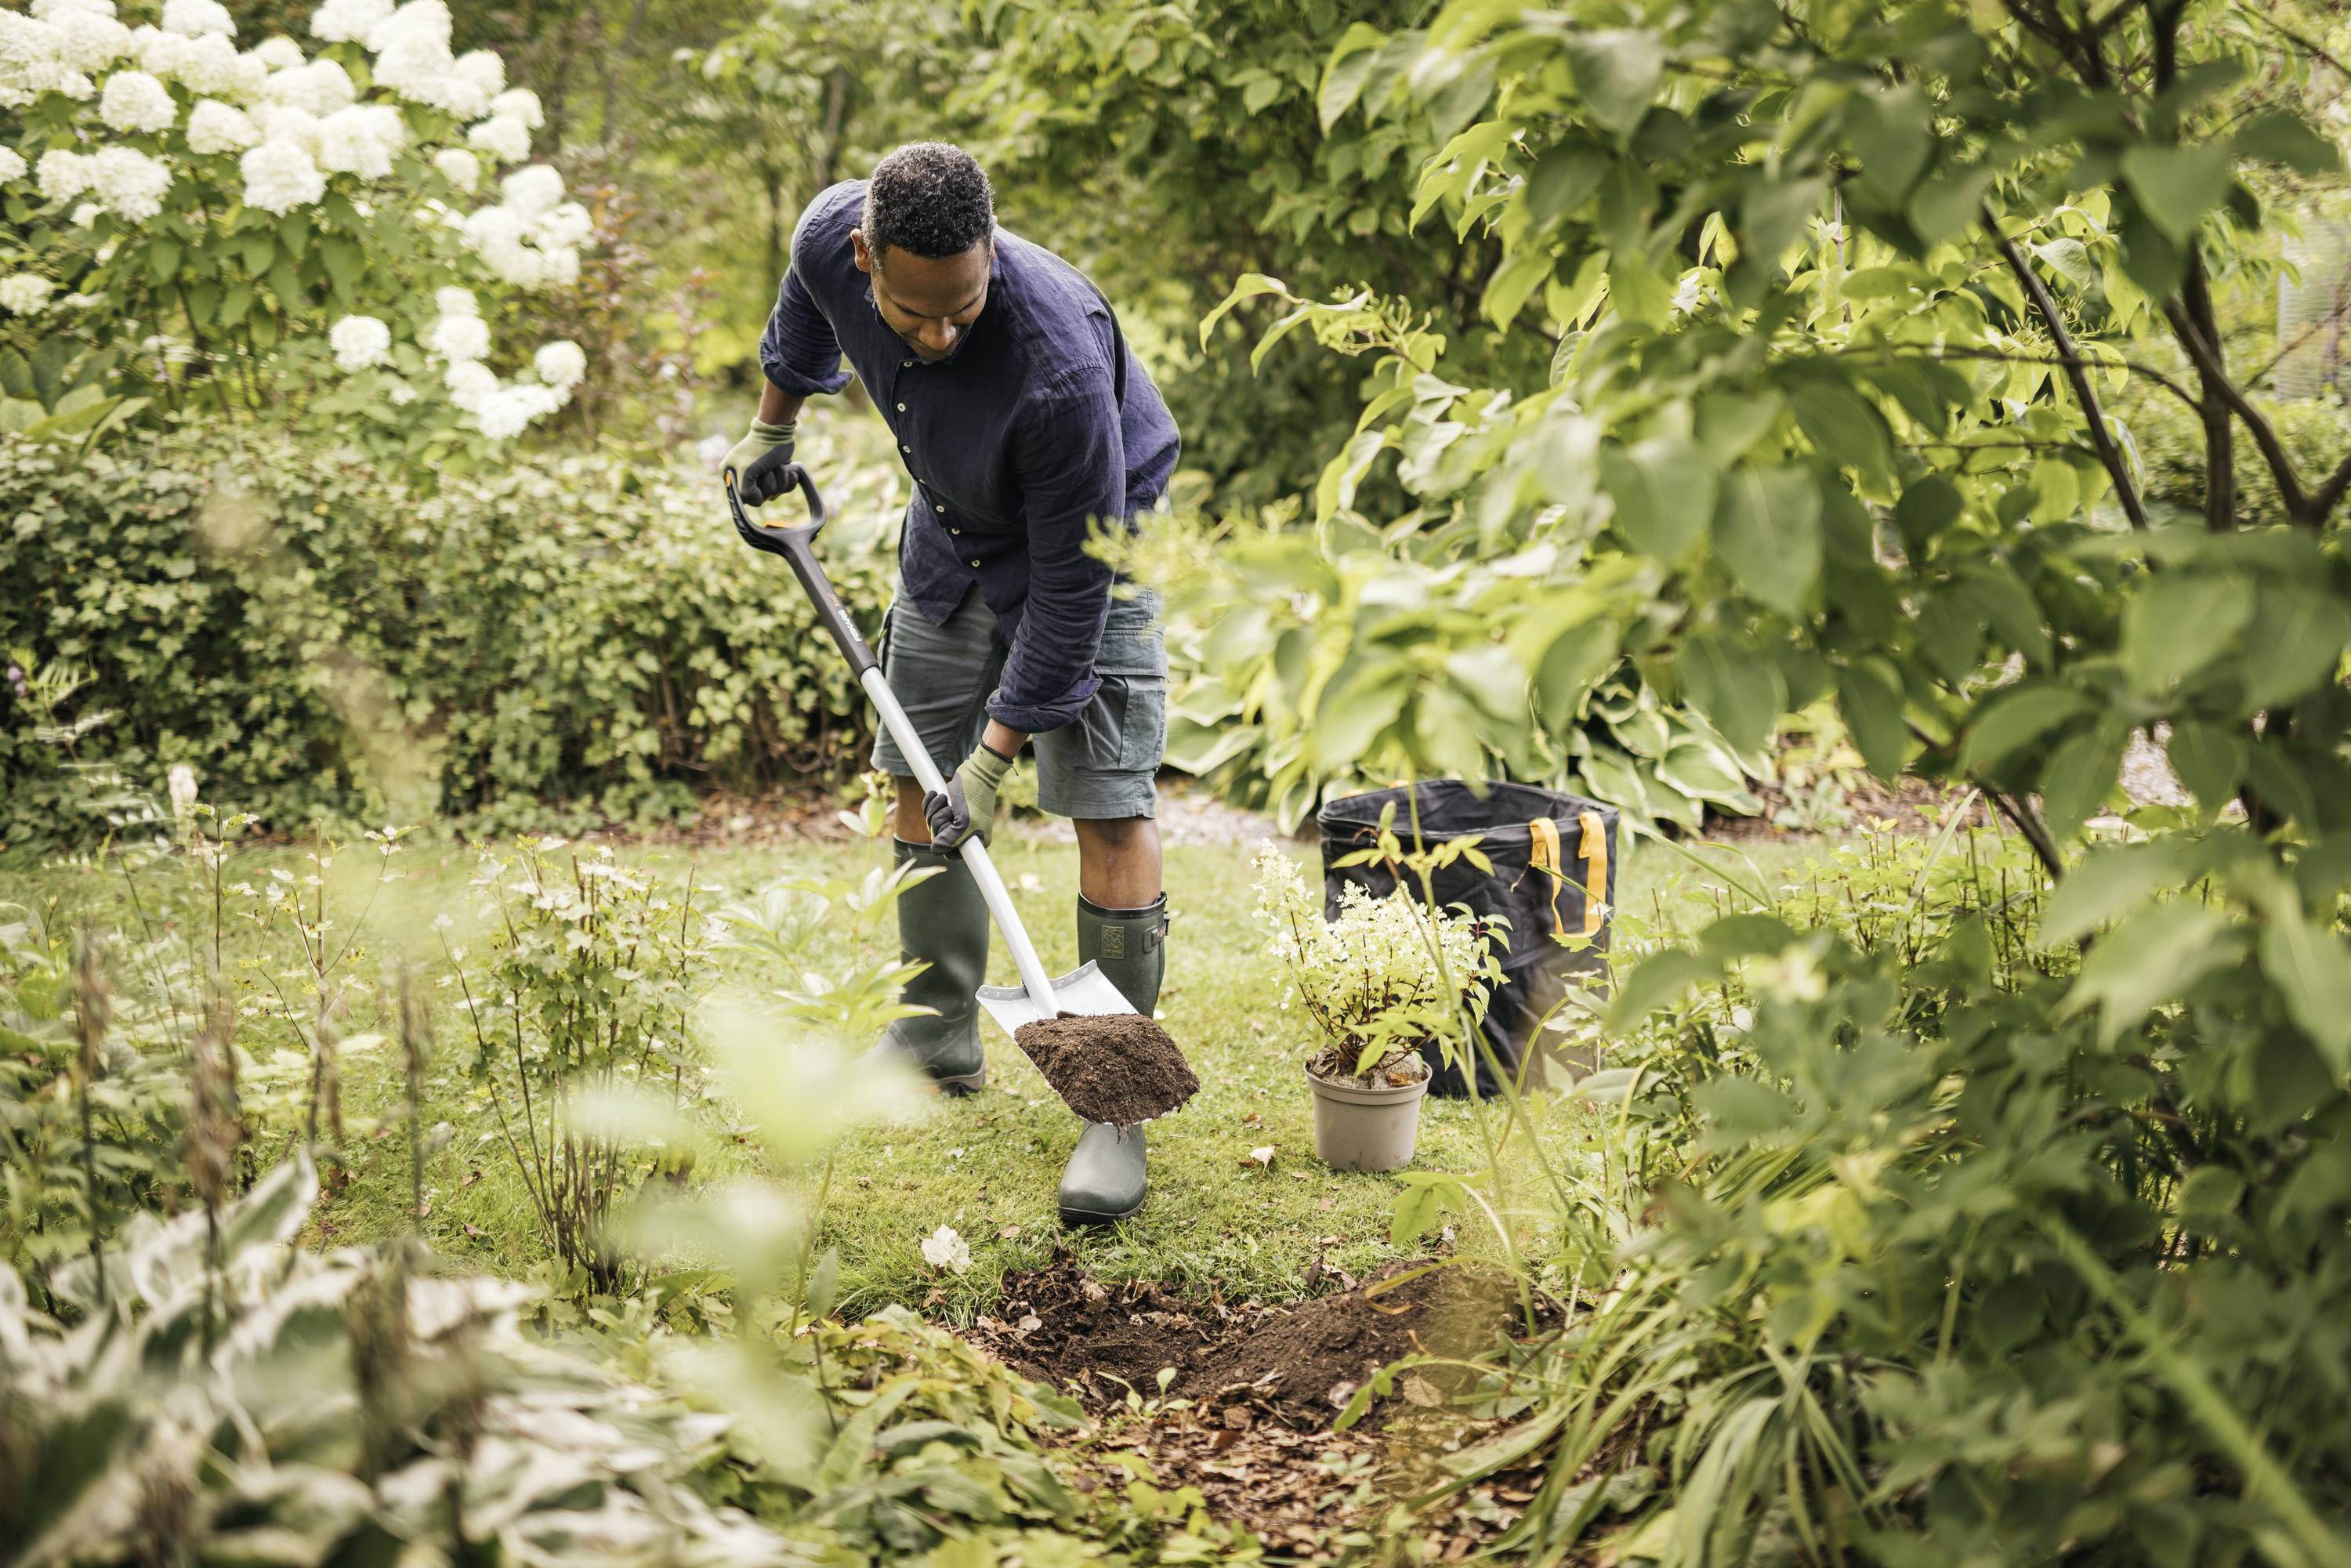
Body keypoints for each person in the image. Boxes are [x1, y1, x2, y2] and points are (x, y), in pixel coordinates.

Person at [724, 143, 1179, 1226]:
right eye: (912, 312)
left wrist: (995, 758)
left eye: (962, 310)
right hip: (952, 533)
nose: (938, 333)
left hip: (1092, 551)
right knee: (910, 773)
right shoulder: (828, 239)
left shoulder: (1055, 366)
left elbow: (1072, 594)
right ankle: (934, 1032)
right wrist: (772, 427)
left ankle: (1113, 1104)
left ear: (990, 258)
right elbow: (801, 312)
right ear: (865, 255)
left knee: (1108, 804)